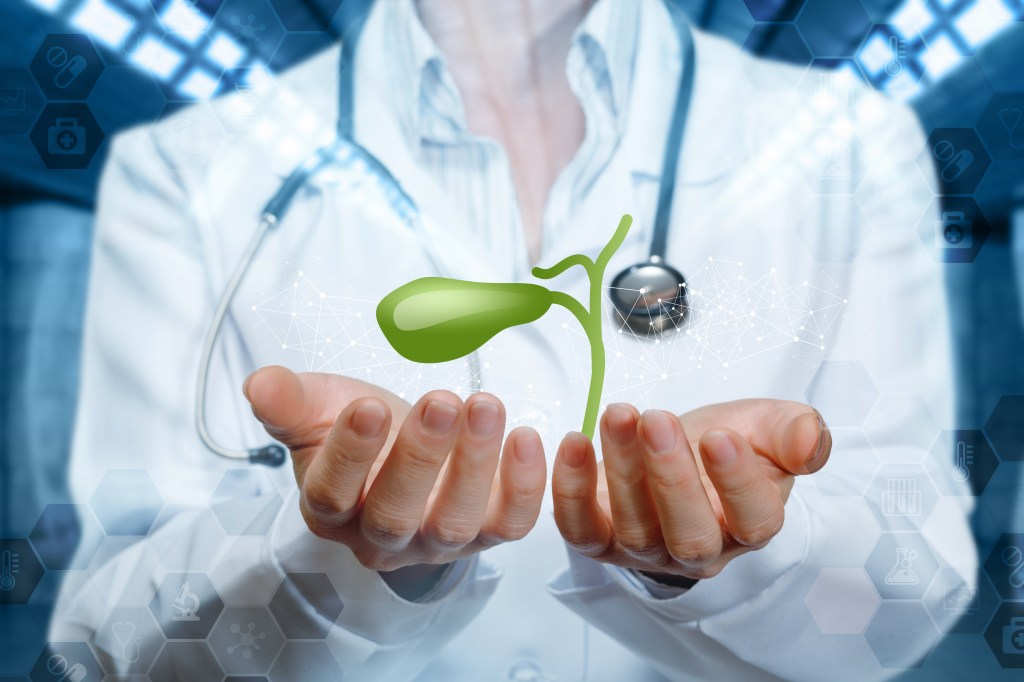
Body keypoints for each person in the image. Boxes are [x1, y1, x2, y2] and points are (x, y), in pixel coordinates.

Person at [52, 0, 975, 679]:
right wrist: (328, 551)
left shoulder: (848, 145)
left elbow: (915, 574)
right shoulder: (183, 170)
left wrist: (754, 548)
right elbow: (120, 627)